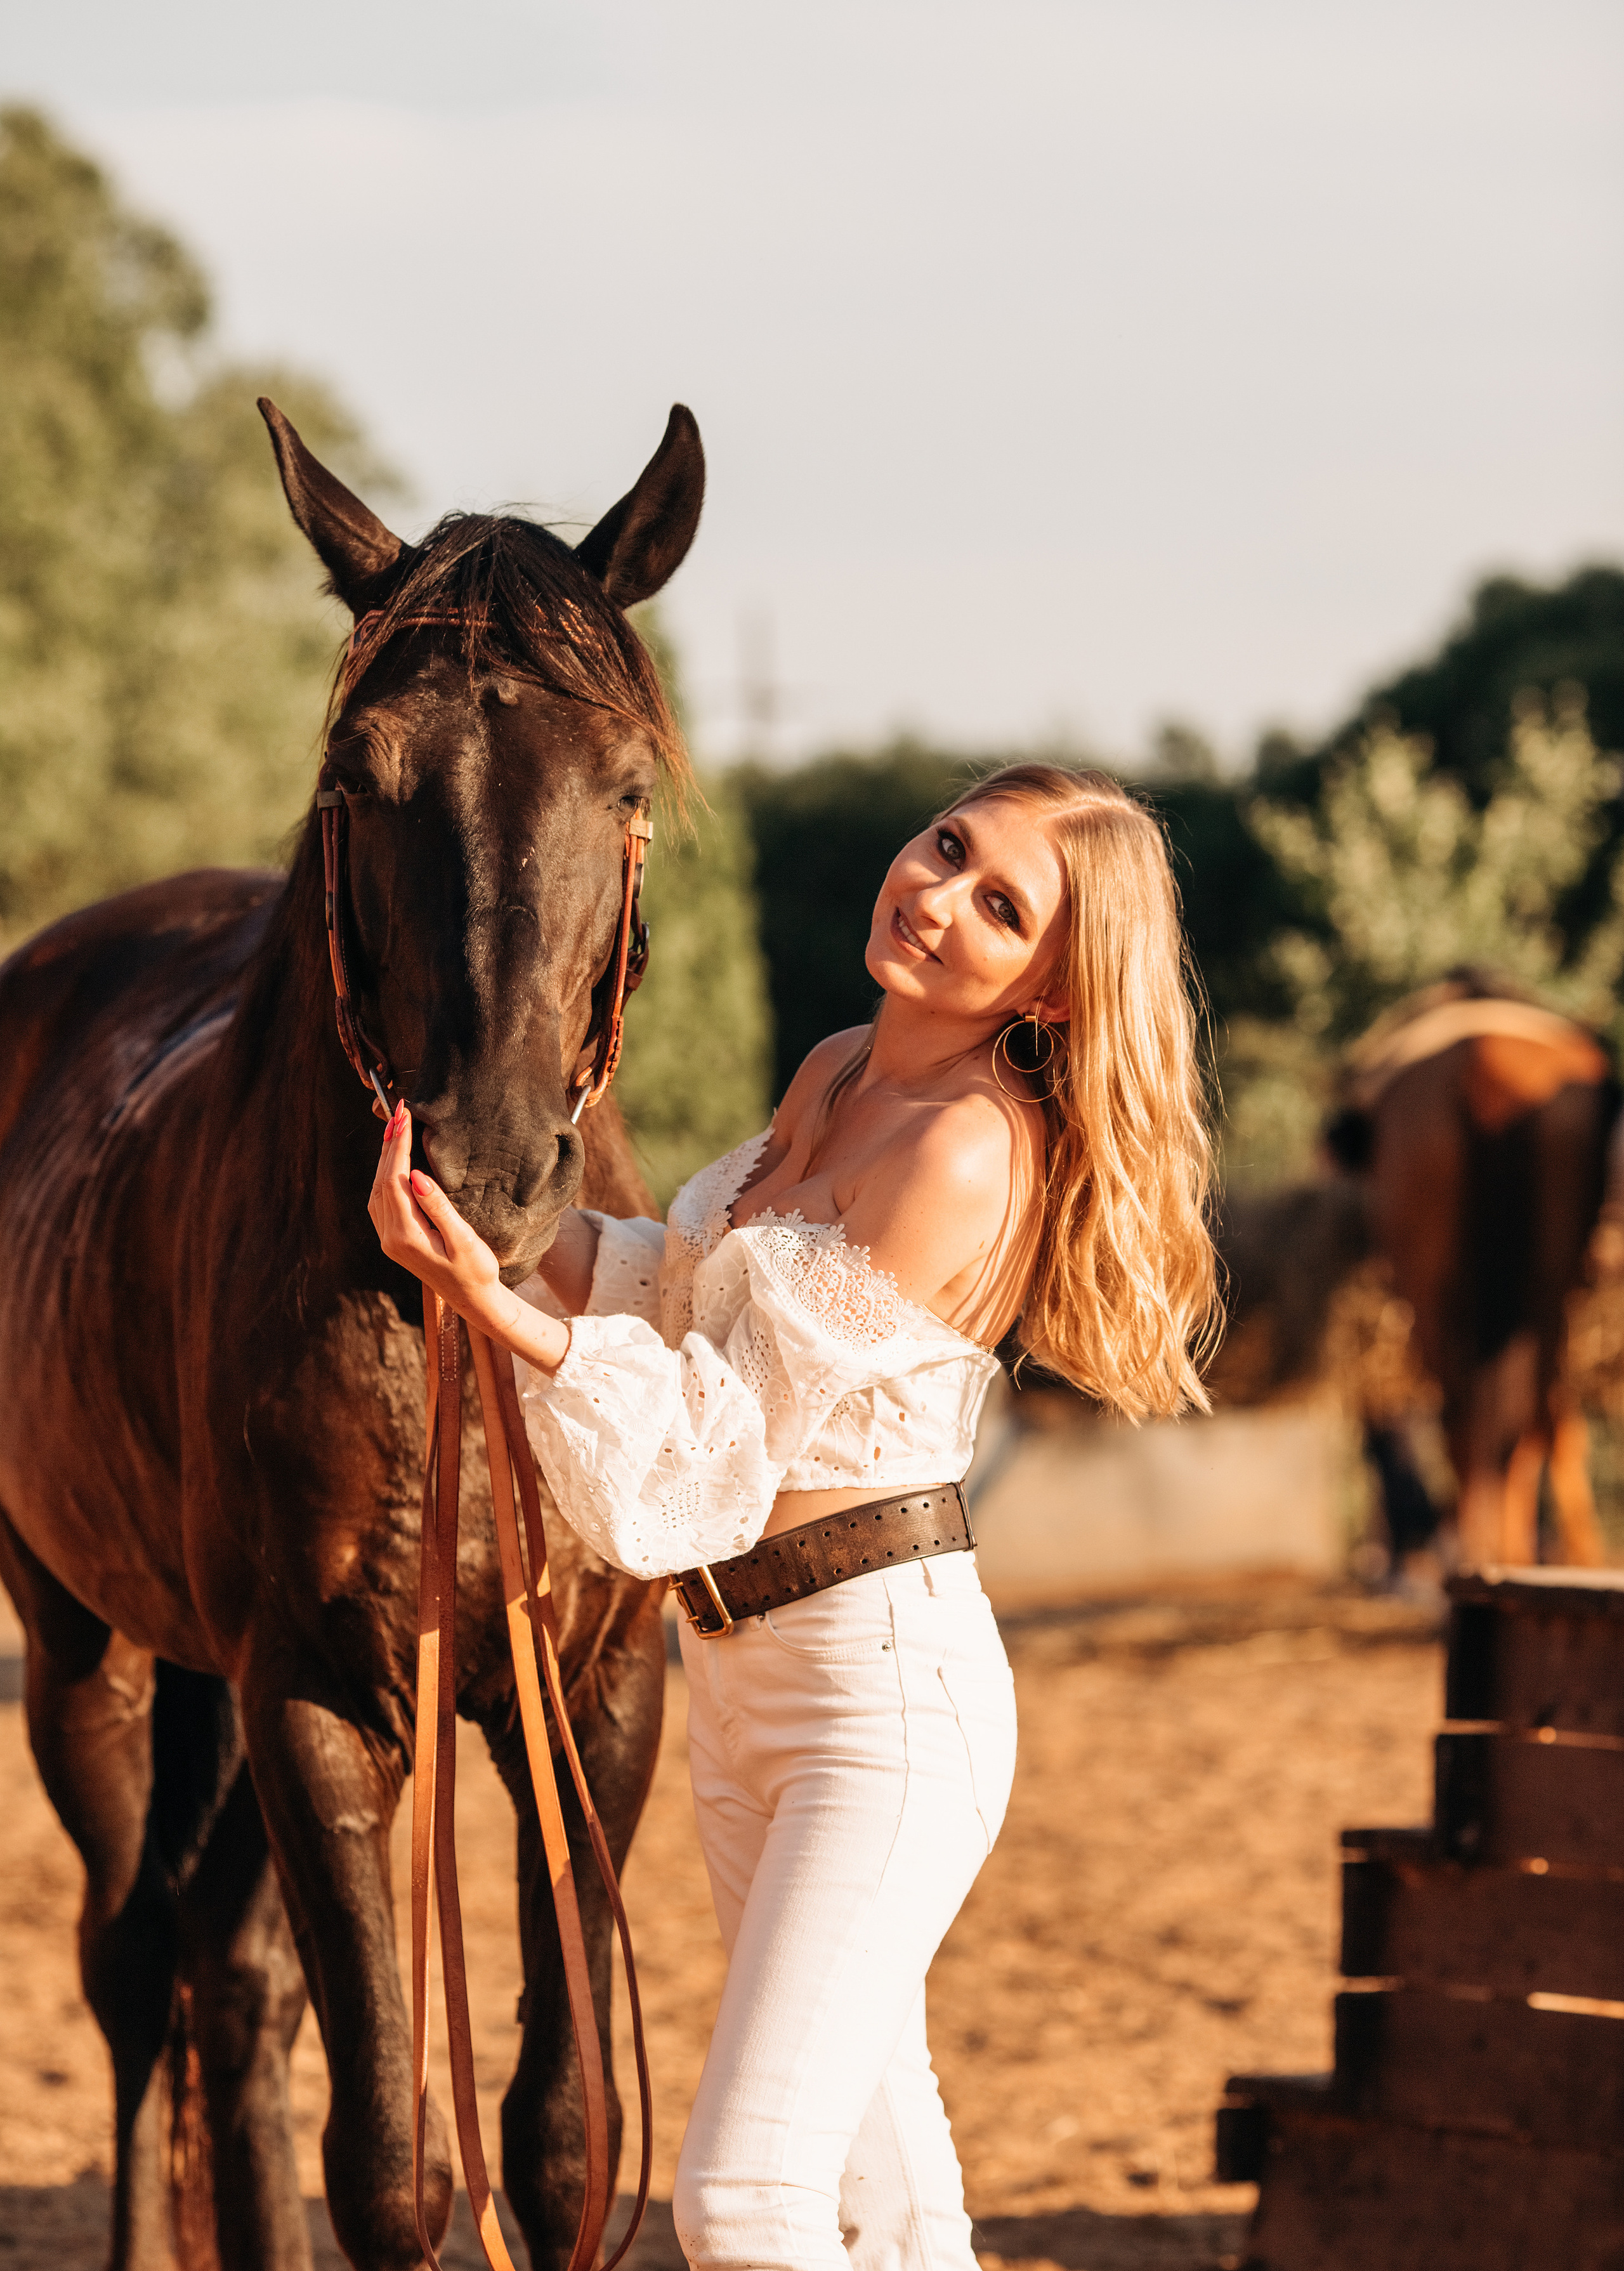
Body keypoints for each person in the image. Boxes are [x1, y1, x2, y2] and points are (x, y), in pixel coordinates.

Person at [369, 761, 1219, 2271]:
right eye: (947, 844)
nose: (938, 894)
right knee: (886, 2203)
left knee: (748, 2199)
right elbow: (690, 1297)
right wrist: (496, 1226)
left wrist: (497, 1309)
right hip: (741, 1677)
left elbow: (721, 1446)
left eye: (1001, 904)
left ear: (1058, 992)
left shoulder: (962, 1146)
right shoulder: (838, 1071)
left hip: (874, 1701)